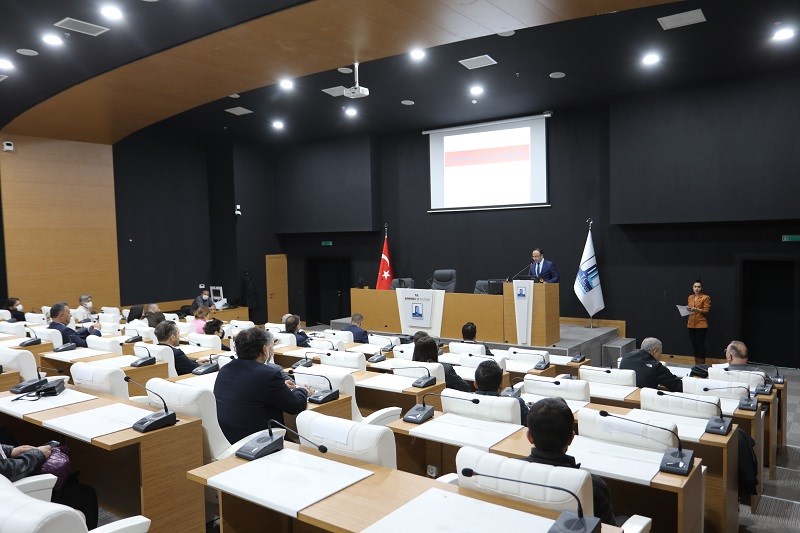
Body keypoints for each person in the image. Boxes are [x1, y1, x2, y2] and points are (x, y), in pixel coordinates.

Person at [524, 397, 618, 526]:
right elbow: (610, 529)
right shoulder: (592, 485)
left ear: (529, 437)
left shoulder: (511, 471)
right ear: (571, 438)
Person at [214, 328, 312, 443]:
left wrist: (281, 386)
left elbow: (251, 389)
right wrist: (303, 390)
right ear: (264, 349)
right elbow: (295, 406)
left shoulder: (225, 369)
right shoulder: (268, 374)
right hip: (259, 440)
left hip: (229, 438)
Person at [474, 359, 528, 425]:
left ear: (475, 384)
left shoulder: (466, 400)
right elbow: (530, 425)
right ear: (501, 385)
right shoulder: (516, 403)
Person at [687, 278, 711, 364]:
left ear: (702, 288)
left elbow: (706, 310)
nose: (696, 288)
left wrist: (697, 309)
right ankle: (696, 363)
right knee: (694, 345)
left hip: (701, 324)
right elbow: (689, 309)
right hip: (691, 324)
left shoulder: (705, 297)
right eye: (695, 286)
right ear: (692, 287)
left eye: (699, 287)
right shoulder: (690, 297)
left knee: (700, 345)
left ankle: (701, 365)